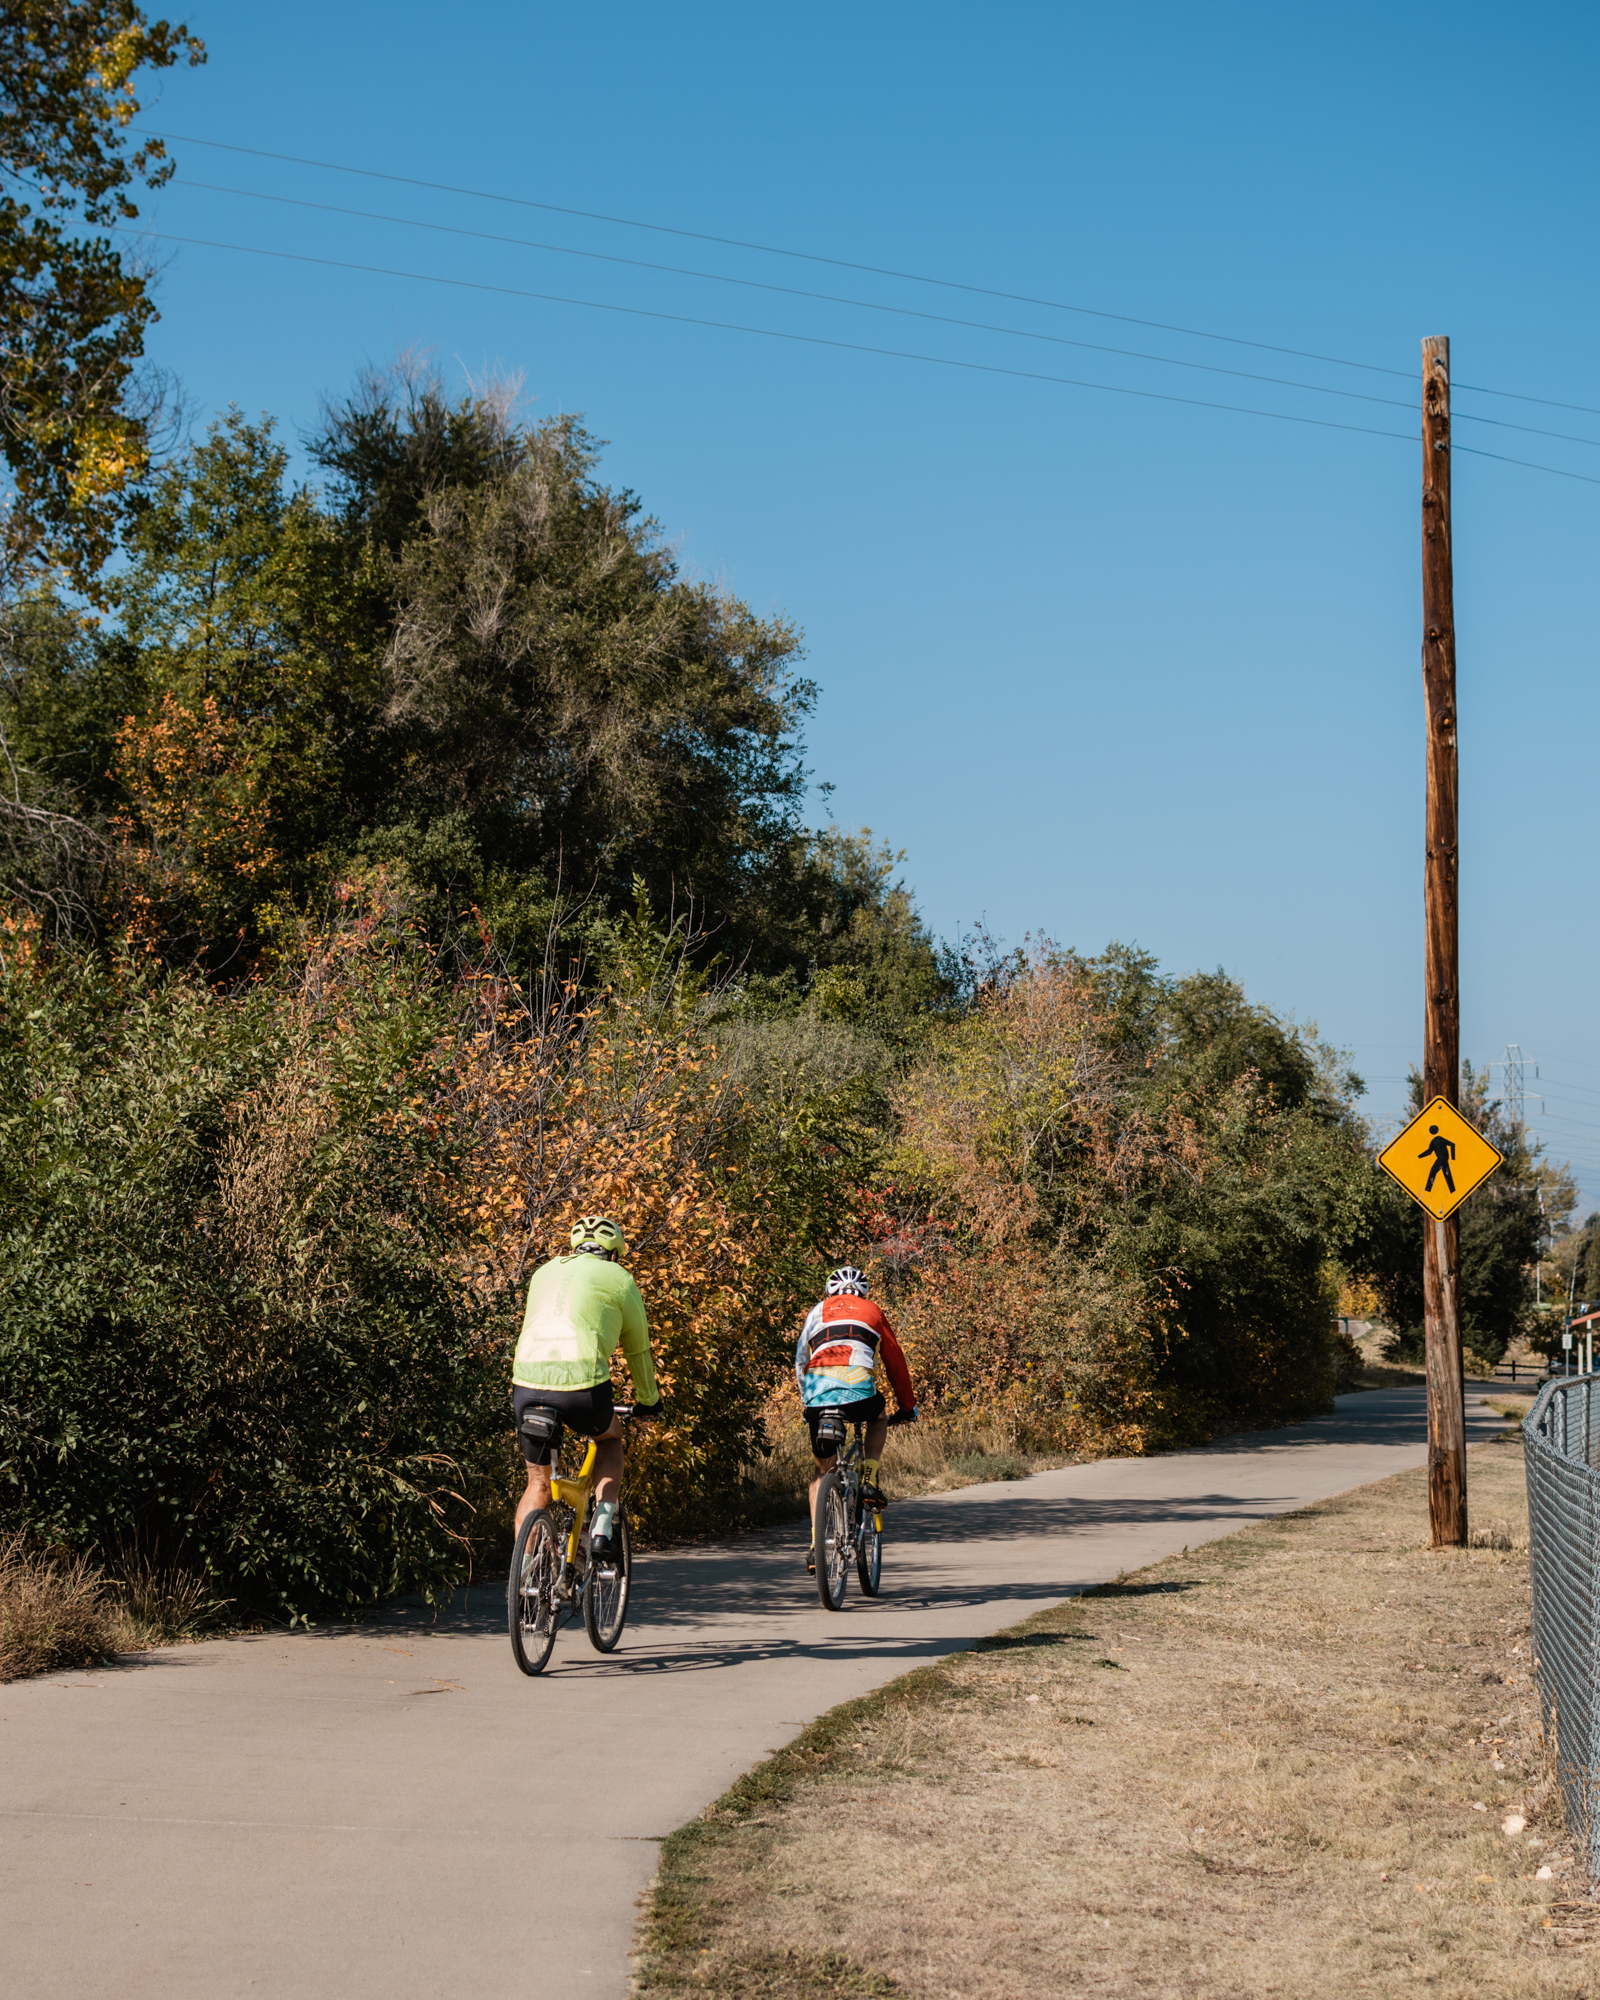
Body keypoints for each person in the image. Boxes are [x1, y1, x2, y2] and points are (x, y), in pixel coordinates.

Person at [511, 1214, 662, 1566]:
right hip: (581, 1385)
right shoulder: (619, 1278)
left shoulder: (543, 1271)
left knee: (537, 1484)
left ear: (575, 1248)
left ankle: (525, 1574)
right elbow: (638, 1350)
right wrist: (648, 1401)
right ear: (613, 1254)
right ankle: (601, 1528)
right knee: (610, 1437)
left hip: (526, 1382)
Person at [795, 1265, 916, 1573]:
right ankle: (870, 1477)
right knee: (879, 1416)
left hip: (818, 1393)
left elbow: (800, 1360)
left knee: (821, 1474)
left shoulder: (815, 1312)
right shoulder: (872, 1311)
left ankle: (815, 1545)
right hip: (859, 1390)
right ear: (862, 1293)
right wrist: (907, 1405)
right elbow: (895, 1361)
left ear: (830, 1291)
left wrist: (806, 1399)